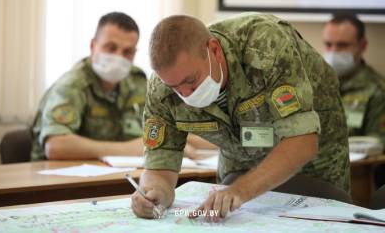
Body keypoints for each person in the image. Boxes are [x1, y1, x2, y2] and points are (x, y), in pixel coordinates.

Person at [131, 14, 350, 221]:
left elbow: (303, 143)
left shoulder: (265, 46)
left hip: (315, 159)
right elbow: (159, 165)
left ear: (214, 51)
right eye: (175, 87)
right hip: (240, 159)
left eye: (191, 80)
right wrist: (155, 191)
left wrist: (240, 190)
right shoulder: (161, 88)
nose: (186, 94)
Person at [31, 12, 147, 160]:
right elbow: (56, 146)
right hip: (61, 177)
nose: (119, 57)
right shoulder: (73, 84)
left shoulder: (137, 81)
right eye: (111, 48)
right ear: (93, 46)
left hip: (117, 173)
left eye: (127, 52)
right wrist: (130, 149)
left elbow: (159, 125)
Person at [322, 13, 385, 188]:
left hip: (354, 179)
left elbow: (378, 146)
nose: (333, 51)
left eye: (342, 45)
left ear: (362, 46)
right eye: (328, 44)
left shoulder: (377, 90)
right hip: (312, 171)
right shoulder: (316, 82)